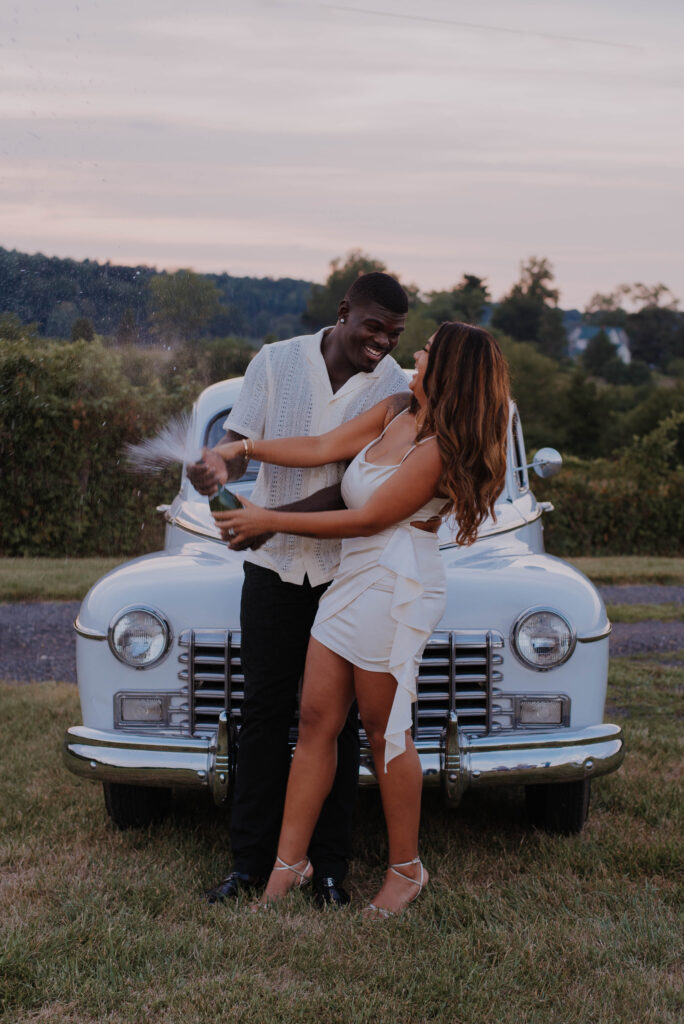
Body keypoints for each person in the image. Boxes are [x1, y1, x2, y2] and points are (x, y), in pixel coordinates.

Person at [211, 322, 511, 915]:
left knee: (384, 730)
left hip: (396, 583)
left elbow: (369, 519)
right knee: (317, 718)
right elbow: (323, 447)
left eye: (428, 347)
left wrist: (269, 519)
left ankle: (406, 870)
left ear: (449, 365)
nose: (416, 352)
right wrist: (242, 449)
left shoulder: (440, 450)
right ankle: (287, 867)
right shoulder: (397, 407)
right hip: (351, 580)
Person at [188, 272, 411, 907]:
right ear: (345, 312)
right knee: (260, 717)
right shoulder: (275, 360)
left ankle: (331, 870)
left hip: (349, 575)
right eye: (373, 327)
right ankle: (250, 867)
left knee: (336, 728)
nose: (382, 343)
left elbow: (351, 485)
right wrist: (217, 470)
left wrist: (266, 521)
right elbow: (238, 442)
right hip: (272, 572)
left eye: (395, 335)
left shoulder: (397, 391)